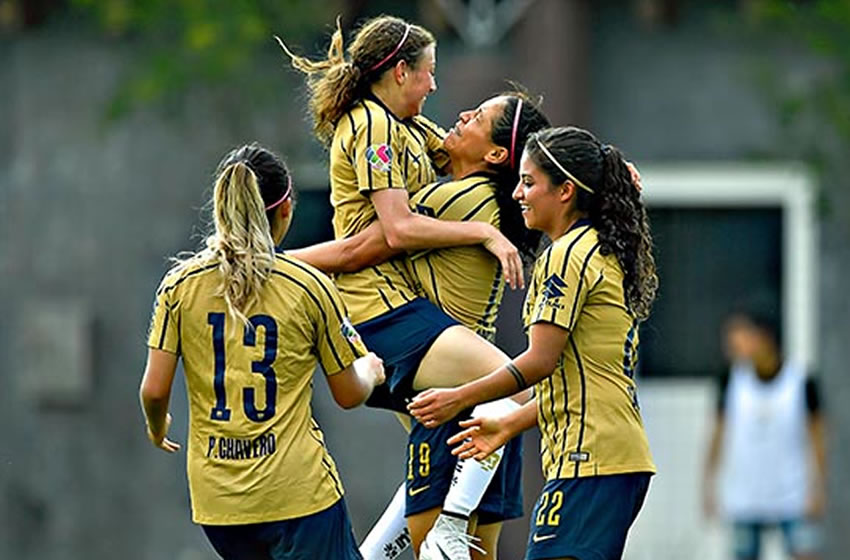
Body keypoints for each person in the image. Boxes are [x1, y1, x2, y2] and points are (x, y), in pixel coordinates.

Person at [289, 90, 550, 560]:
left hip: (446, 390)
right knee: (468, 553)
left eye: (479, 117)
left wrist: (270, 262)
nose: (463, 113)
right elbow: (427, 137)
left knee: (437, 542)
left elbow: (361, 248)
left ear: (495, 154)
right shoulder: (487, 200)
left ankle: (447, 521)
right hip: (480, 406)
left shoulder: (458, 198)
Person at [409, 125, 658, 560]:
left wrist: (458, 397)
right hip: (611, 459)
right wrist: (509, 424)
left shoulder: (566, 256)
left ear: (565, 191)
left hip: (591, 464)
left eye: (528, 183)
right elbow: (581, 382)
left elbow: (540, 363)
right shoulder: (597, 248)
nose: (517, 195)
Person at [139, 144, 385, 560]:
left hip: (220, 506)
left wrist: (157, 425)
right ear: (285, 209)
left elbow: (153, 390)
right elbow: (348, 394)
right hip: (299, 497)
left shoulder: (179, 286)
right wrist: (371, 371)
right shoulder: (308, 285)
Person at [702, 307, 826, 560]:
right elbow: (717, 436)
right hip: (745, 495)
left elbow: (818, 437)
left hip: (793, 493)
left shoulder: (801, 381)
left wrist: (819, 487)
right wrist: (708, 485)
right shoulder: (730, 380)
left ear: (763, 337)